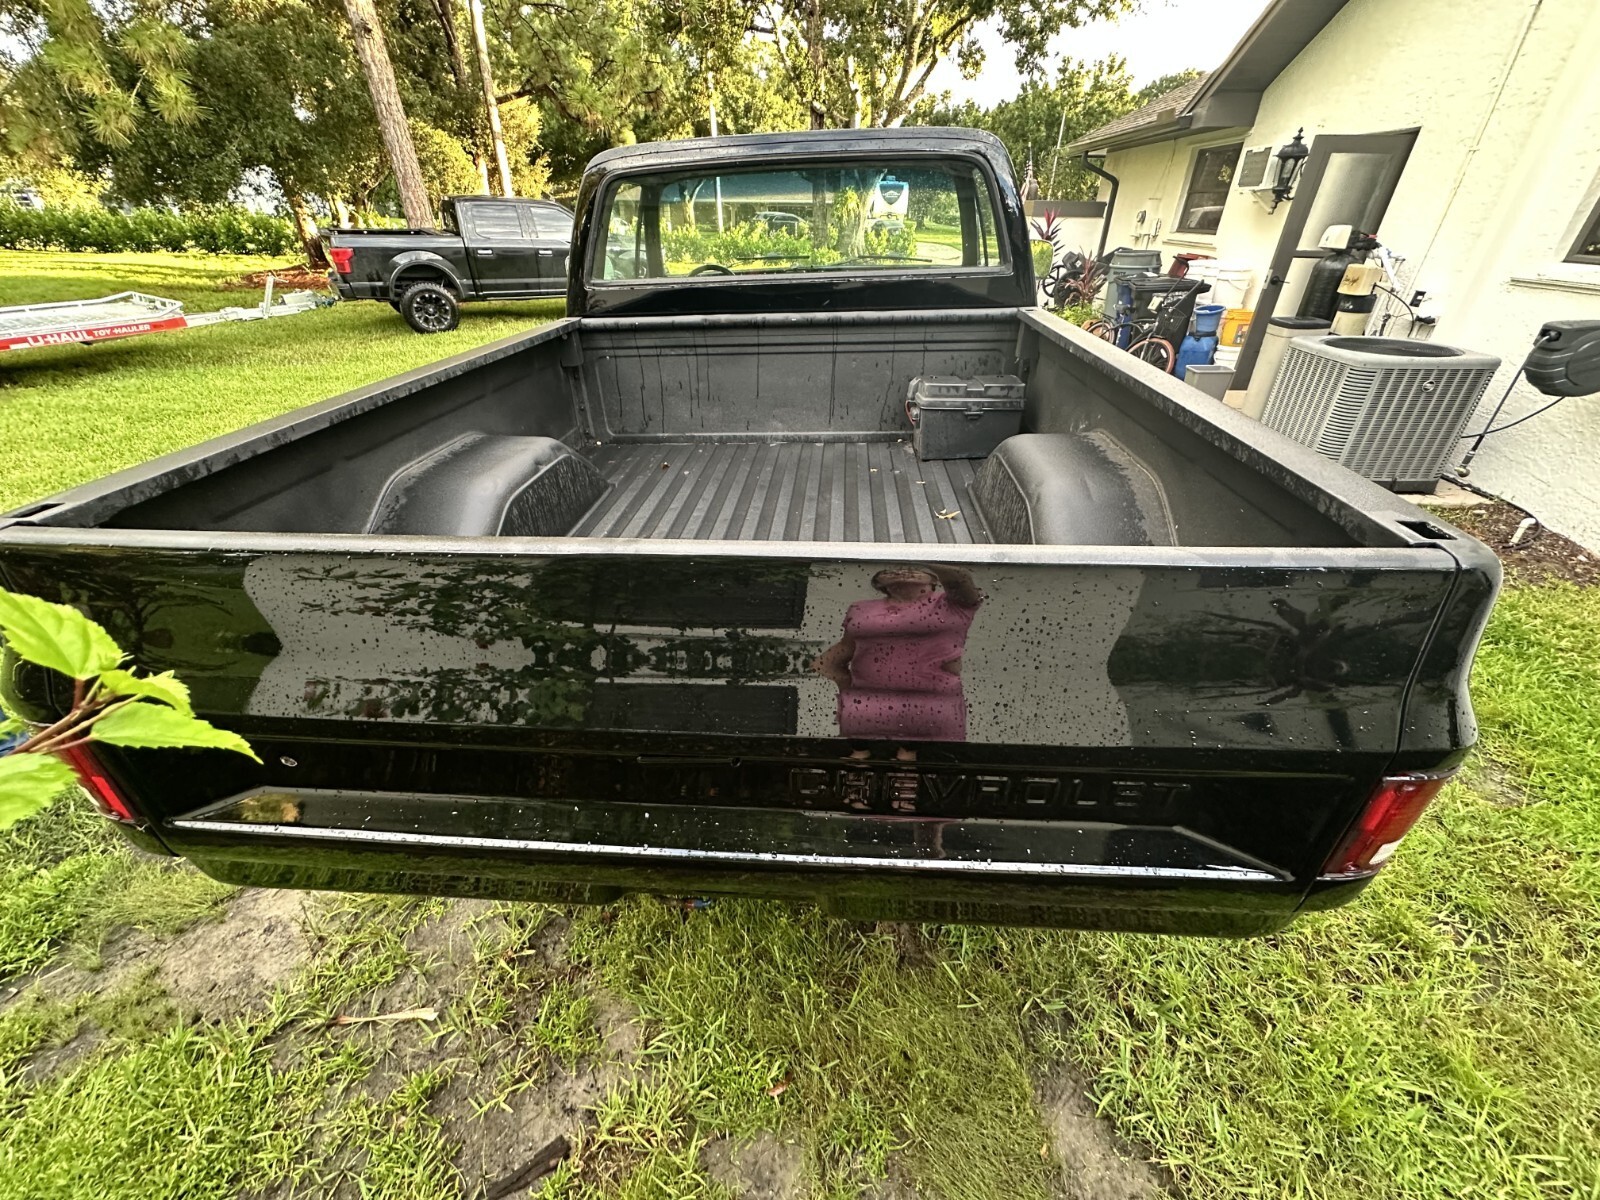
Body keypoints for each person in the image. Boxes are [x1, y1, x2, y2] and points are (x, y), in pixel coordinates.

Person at [811, 564, 983, 758]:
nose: (902, 570)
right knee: (861, 775)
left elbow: (959, 577)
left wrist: (919, 556)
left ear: (934, 581)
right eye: (890, 567)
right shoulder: (861, 608)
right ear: (879, 583)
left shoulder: (952, 605)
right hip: (864, 716)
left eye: (912, 567)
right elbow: (842, 652)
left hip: (932, 716)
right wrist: (844, 688)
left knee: (911, 776)